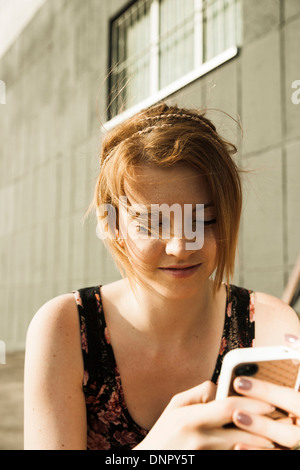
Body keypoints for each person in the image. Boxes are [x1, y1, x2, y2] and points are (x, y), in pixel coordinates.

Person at [24, 103, 300, 450]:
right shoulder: (65, 329)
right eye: (151, 223)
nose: (181, 247)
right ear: (113, 226)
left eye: (204, 220)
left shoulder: (272, 327)